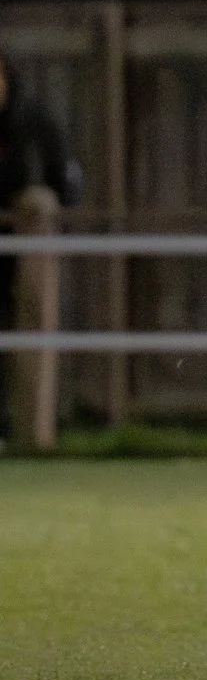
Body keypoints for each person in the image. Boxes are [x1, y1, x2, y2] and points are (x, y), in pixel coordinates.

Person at [1, 50, 84, 443]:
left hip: (25, 243)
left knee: (32, 331)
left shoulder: (33, 120)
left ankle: (31, 435)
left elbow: (67, 181)